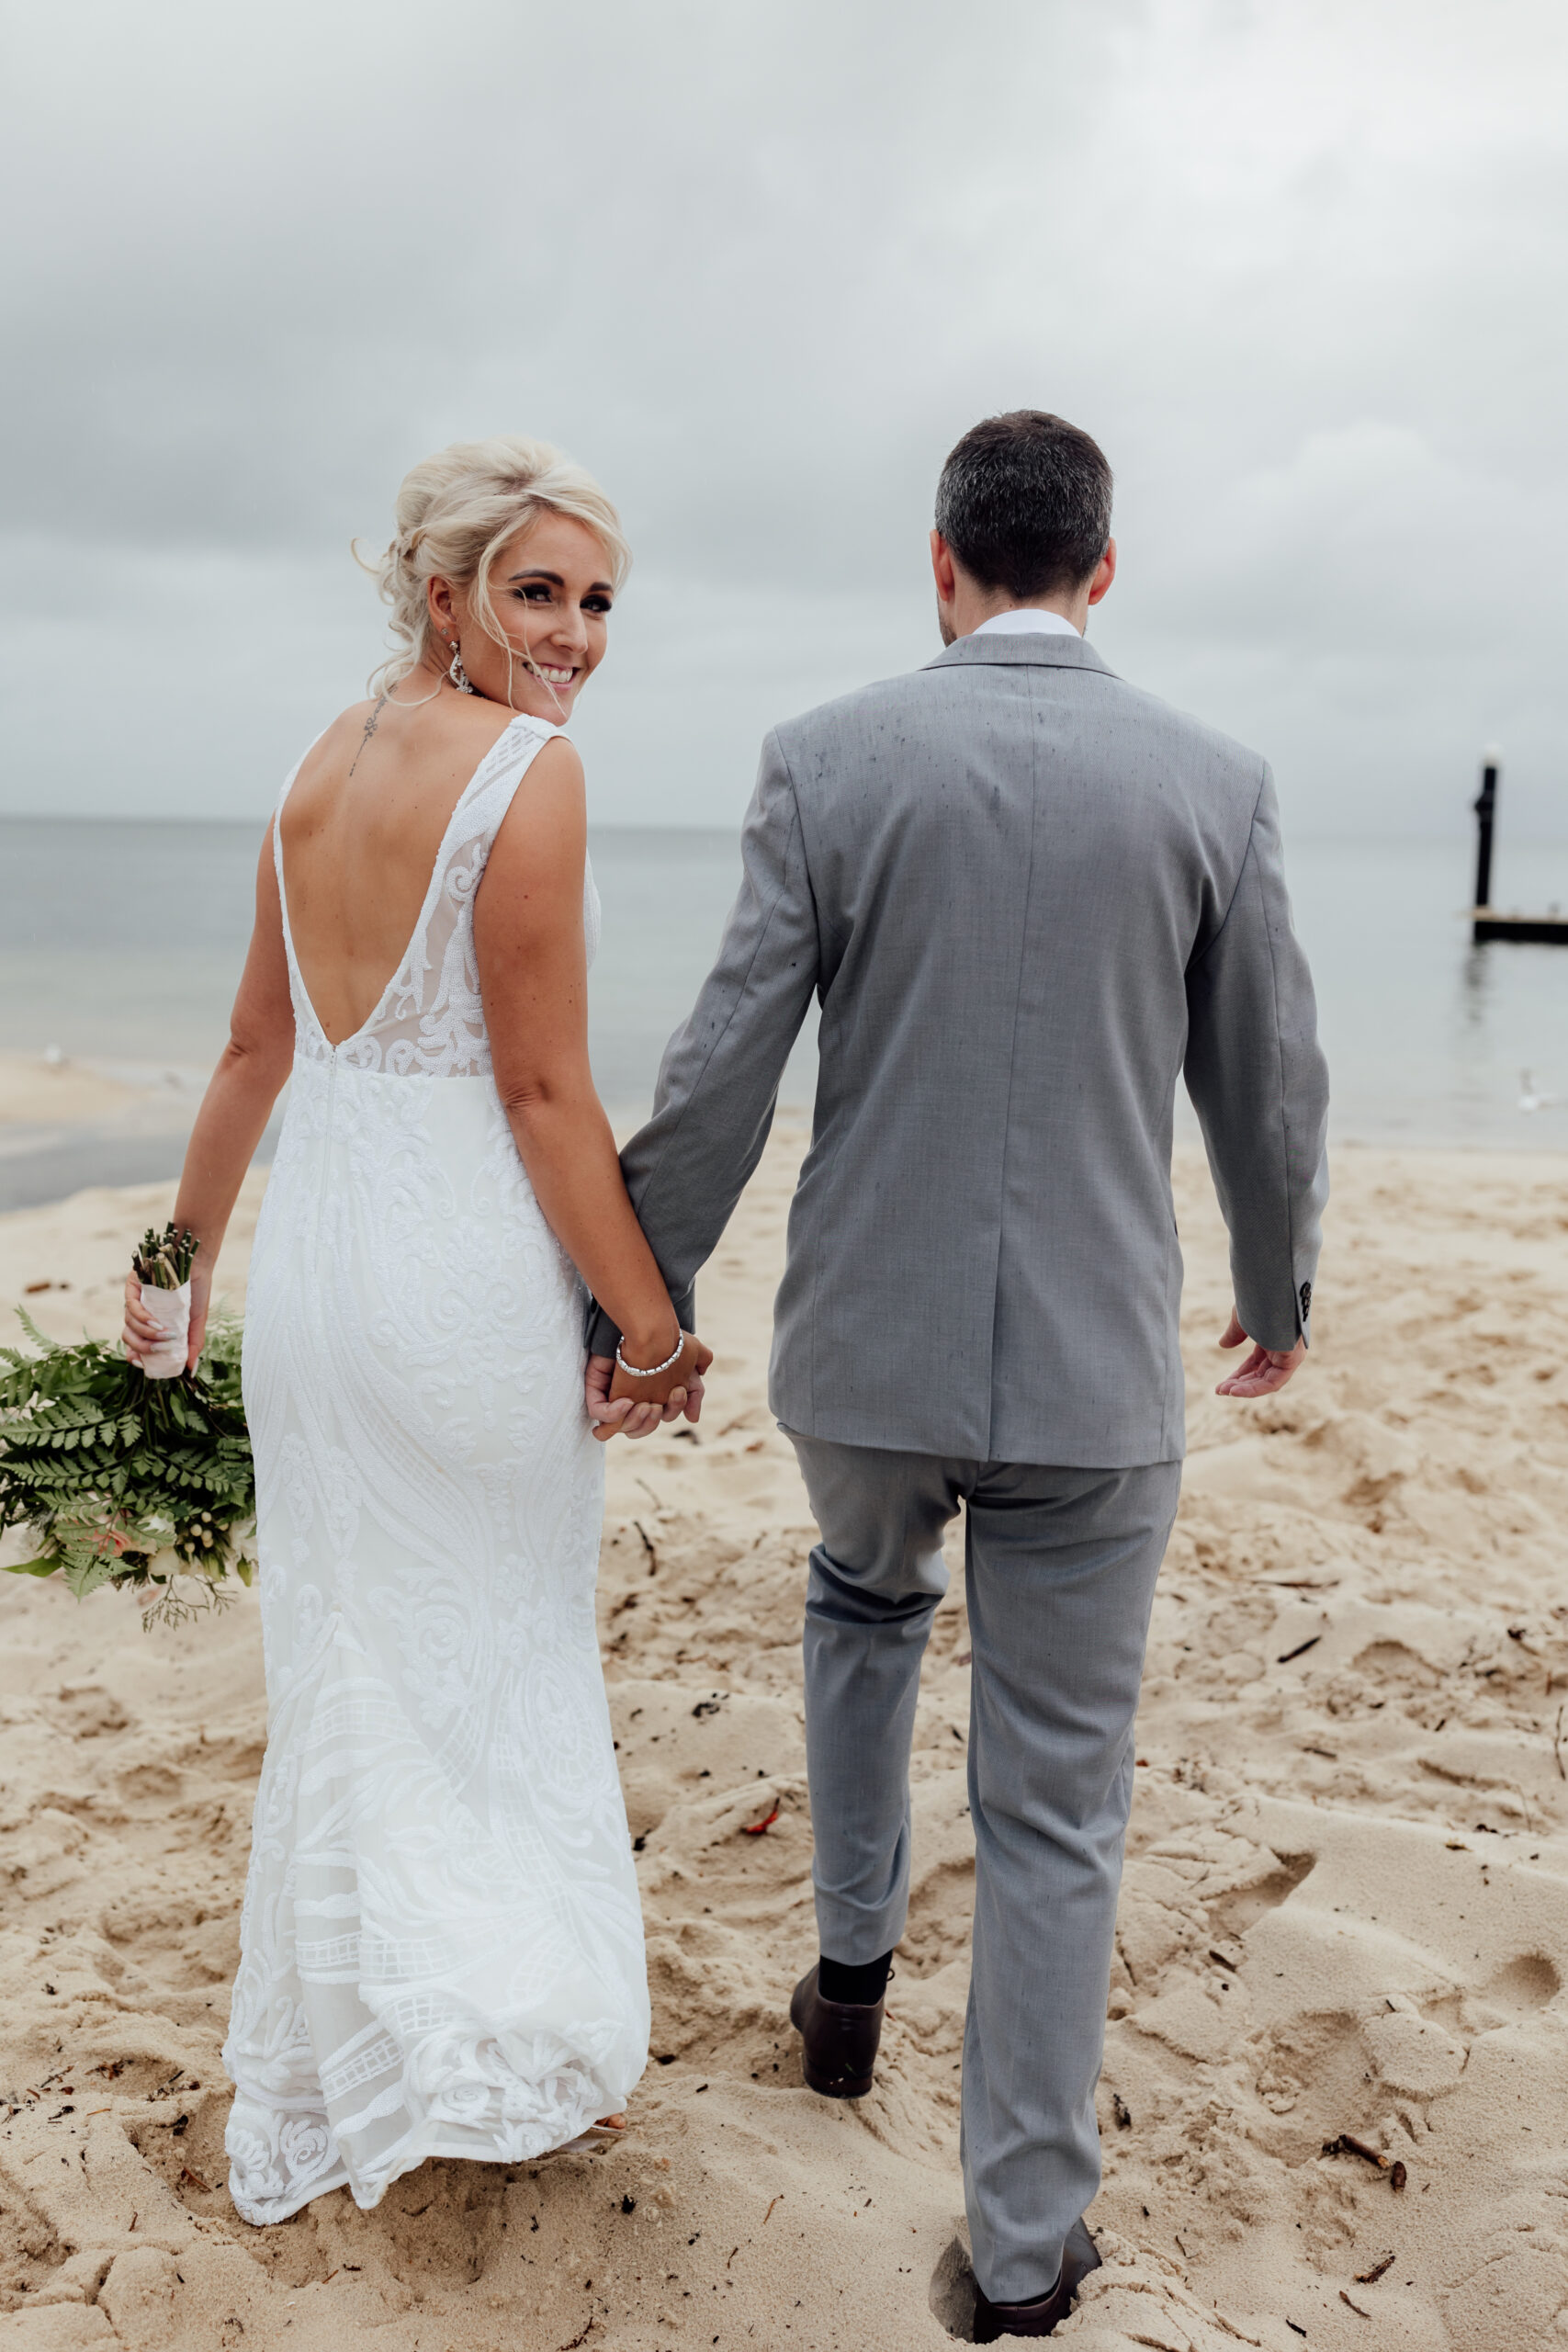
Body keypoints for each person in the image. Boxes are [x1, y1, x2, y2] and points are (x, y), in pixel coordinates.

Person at [585, 412, 1329, 2340]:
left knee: (857, 1601)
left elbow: (726, 1056)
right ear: (1100, 569)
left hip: (863, 1350)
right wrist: (1275, 1280)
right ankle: (1019, 2252)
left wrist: (637, 1292)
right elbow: (1263, 1077)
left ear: (939, 563)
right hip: (1092, 1379)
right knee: (1059, 1801)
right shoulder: (1211, 777)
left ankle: (843, 1986)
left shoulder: (826, 759)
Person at [123, 435, 709, 2226]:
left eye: (599, 598)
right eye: (540, 590)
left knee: (358, 1662)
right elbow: (541, 1092)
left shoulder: (315, 765)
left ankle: (375, 2038)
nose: (577, 634)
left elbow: (251, 1055)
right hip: (455, 1280)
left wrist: (177, 1263)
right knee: (493, 1656)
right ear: (442, 589)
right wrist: (651, 1323)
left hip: (315, 1280)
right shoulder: (529, 773)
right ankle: (492, 2045)